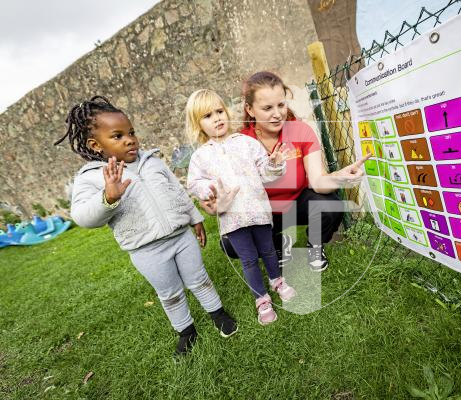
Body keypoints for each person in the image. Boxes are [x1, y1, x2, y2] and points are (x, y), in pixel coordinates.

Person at [55, 96, 237, 356]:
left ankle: (218, 314)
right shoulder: (93, 178)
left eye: (131, 132)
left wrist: (194, 218)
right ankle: (186, 331)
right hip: (146, 250)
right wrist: (108, 198)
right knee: (170, 292)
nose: (129, 139)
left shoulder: (151, 161)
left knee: (199, 279)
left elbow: (176, 190)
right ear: (96, 145)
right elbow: (83, 216)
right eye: (117, 136)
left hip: (180, 237)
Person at [201, 71, 370, 272]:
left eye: (281, 105)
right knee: (230, 244)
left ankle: (314, 245)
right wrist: (216, 203)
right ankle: (277, 245)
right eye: (267, 108)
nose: (277, 113)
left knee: (331, 205)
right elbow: (233, 191)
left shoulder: (301, 131)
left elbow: (317, 182)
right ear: (250, 109)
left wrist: (339, 177)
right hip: (263, 211)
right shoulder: (240, 142)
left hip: (297, 201)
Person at [185, 89, 296, 326]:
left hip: (258, 211)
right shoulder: (200, 157)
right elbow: (194, 183)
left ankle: (277, 280)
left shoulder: (247, 143)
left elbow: (266, 172)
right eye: (207, 116)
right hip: (232, 218)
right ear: (198, 125)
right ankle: (261, 299)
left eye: (219, 111)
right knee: (248, 260)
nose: (216, 118)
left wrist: (274, 164)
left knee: (268, 250)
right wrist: (209, 190)